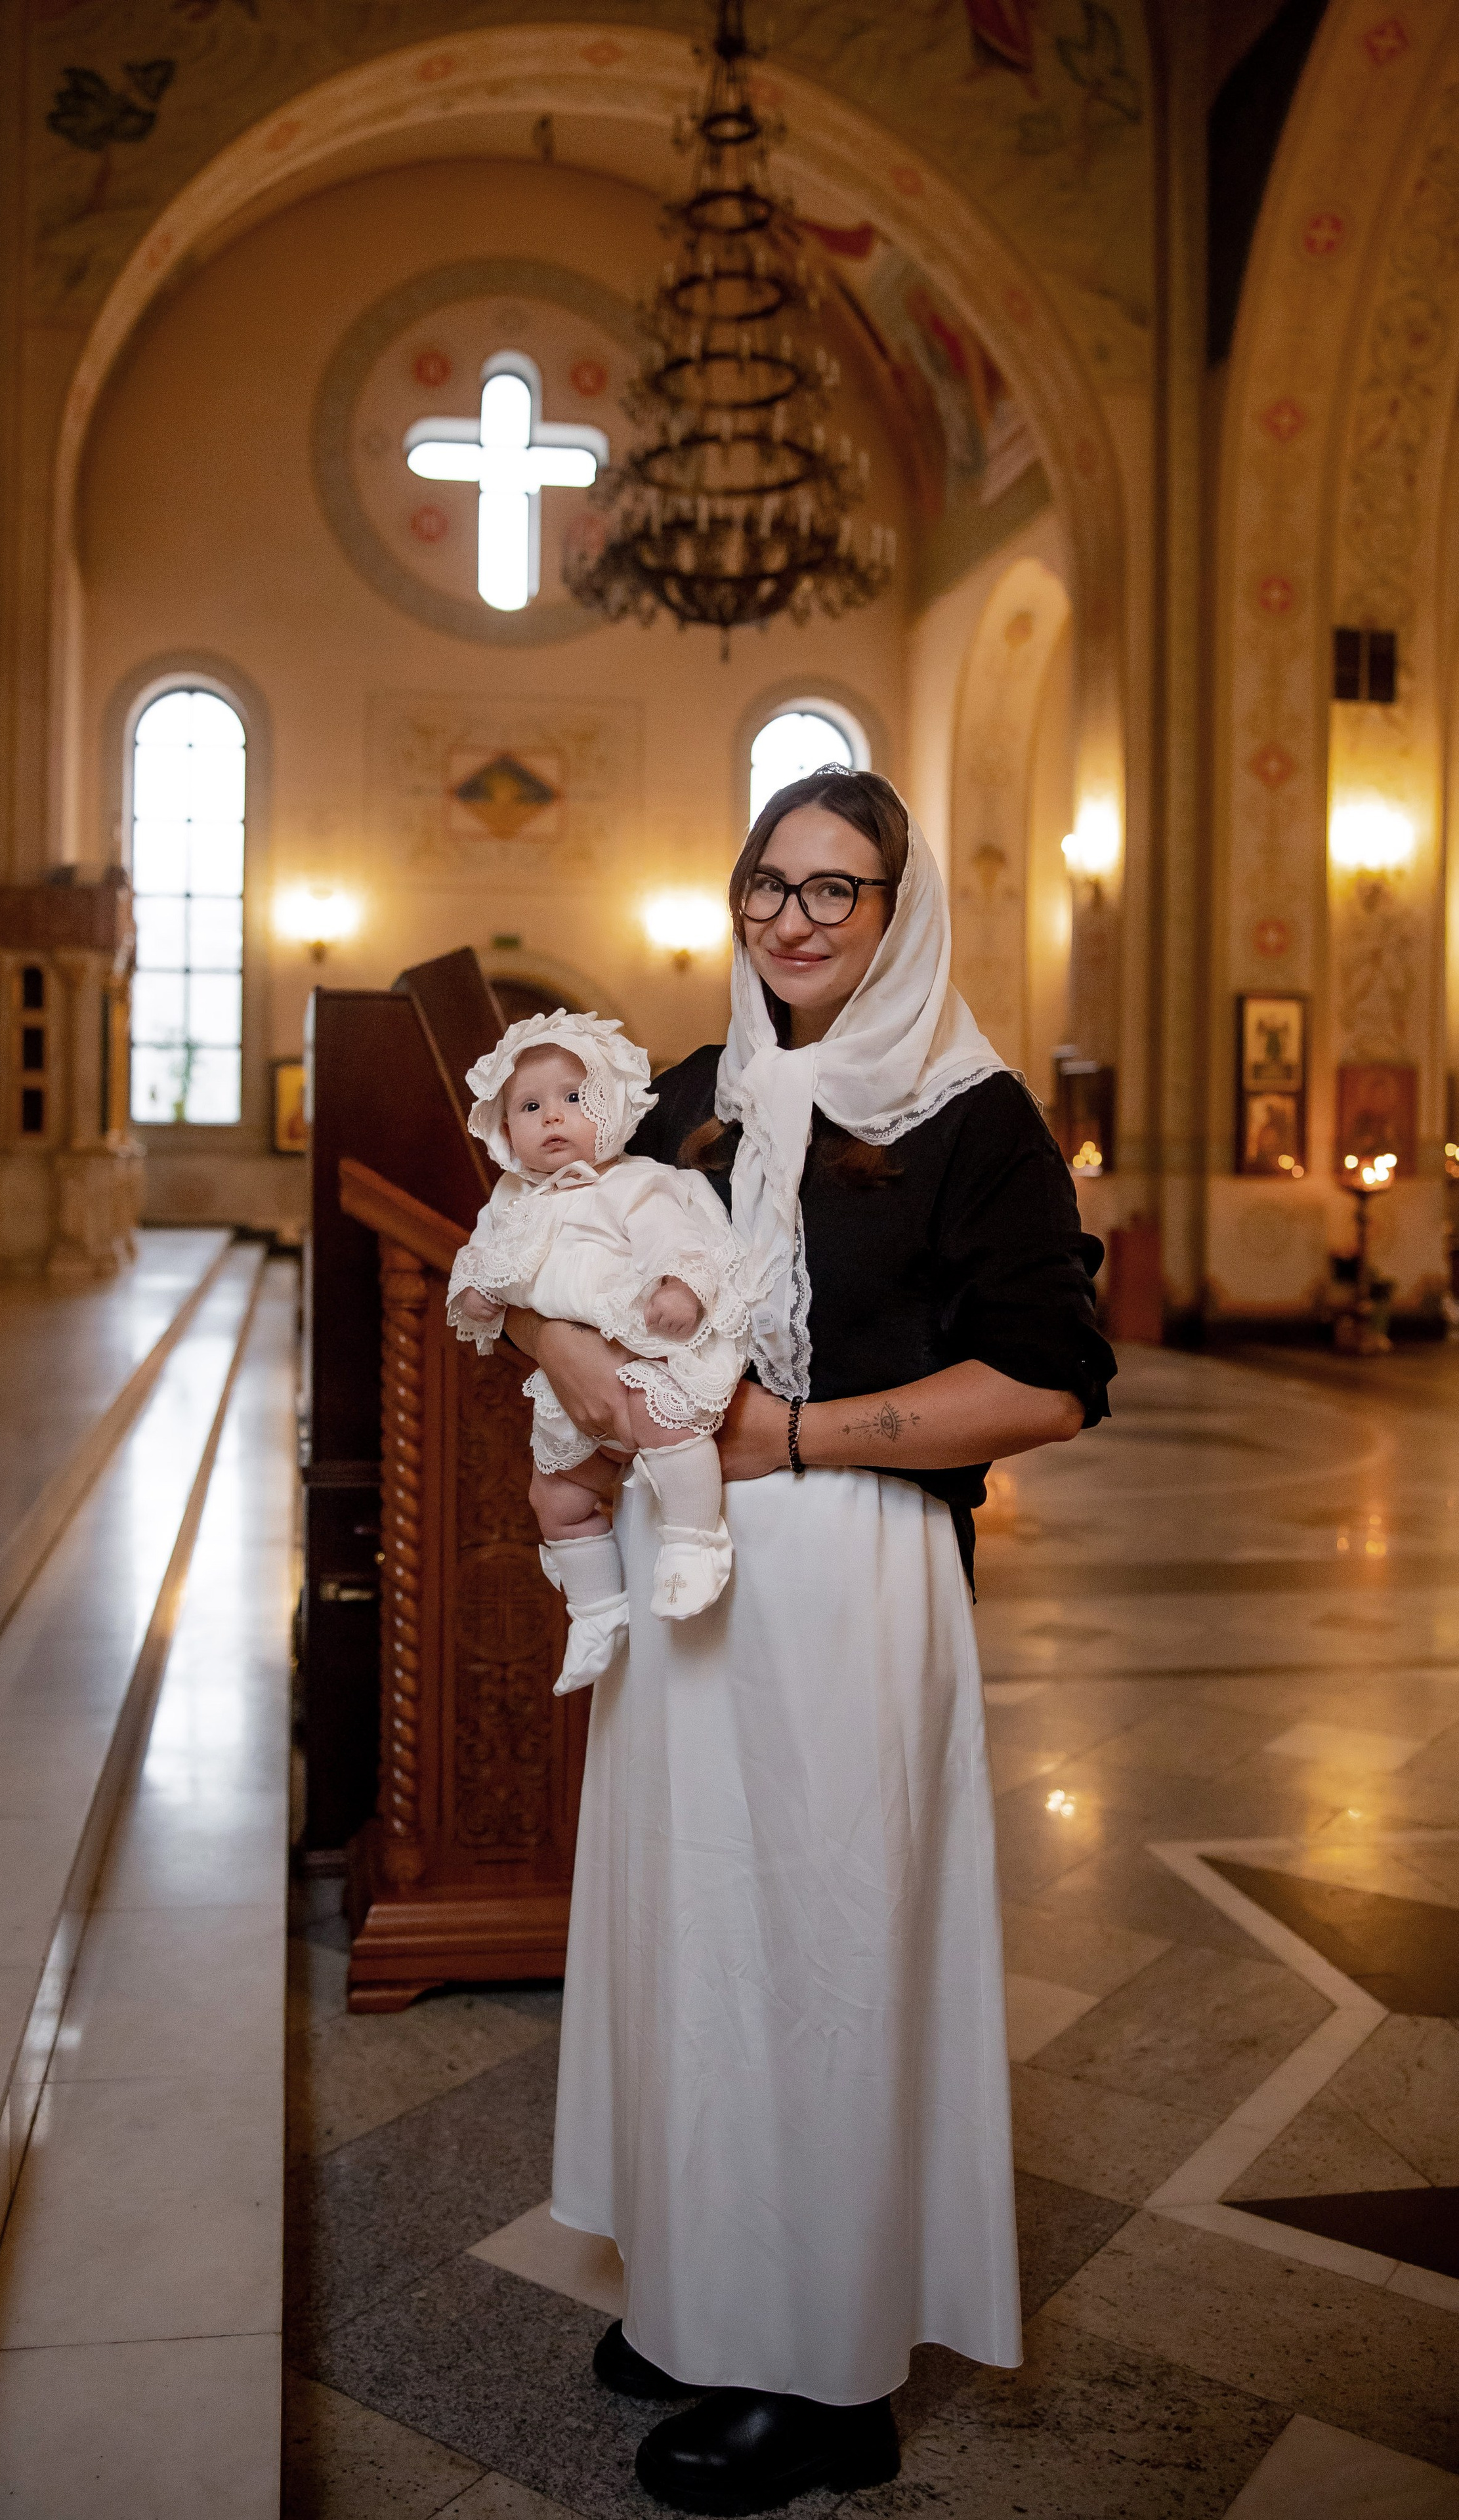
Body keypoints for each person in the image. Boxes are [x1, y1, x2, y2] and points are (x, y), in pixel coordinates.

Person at [503, 768, 1115, 2513]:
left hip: (850, 1577)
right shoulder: (702, 1090)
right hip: (689, 1563)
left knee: (822, 1960)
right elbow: (559, 1238)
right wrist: (579, 1372)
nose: (791, 918)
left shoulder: (975, 1118)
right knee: (698, 1934)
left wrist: (790, 1438)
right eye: (768, 882)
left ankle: (825, 2372)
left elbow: (1052, 1385)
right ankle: (713, 2286)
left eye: (835, 889)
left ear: (901, 910)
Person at [449, 1010, 751, 1692]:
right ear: (504, 1130)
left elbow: (685, 1242)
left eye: (574, 1099)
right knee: (552, 1495)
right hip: (568, 1382)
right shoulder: (510, 1201)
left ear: (612, 1108)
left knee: (659, 1419)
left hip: (643, 1346)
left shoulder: (636, 1183)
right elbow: (479, 1258)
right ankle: (594, 1613)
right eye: (529, 1106)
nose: (552, 1117)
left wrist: (680, 1287)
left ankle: (694, 1540)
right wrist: (475, 1294)